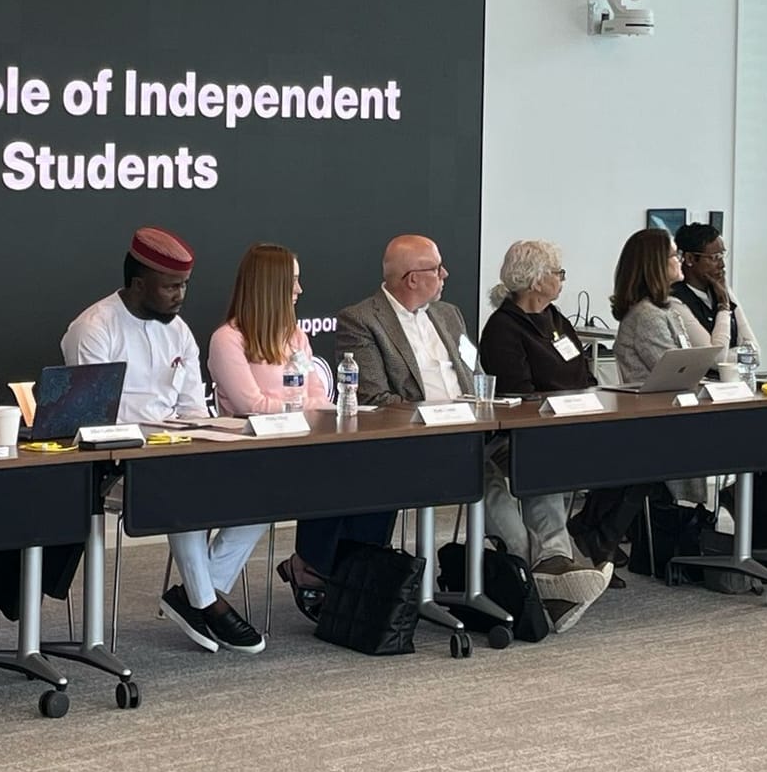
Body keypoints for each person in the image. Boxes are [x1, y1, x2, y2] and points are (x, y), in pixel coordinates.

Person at [63, 228, 266, 654]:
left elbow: (194, 410)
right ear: (139, 284)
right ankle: (206, 603)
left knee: (266, 487)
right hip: (116, 462)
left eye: (185, 286)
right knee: (182, 485)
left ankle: (199, 593)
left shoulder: (179, 331)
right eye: (171, 286)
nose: (181, 296)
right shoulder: (94, 329)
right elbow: (93, 424)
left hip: (176, 451)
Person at [206, 243, 394, 621]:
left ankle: (351, 574)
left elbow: (320, 396)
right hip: (251, 454)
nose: (300, 289)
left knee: (376, 476)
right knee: (324, 477)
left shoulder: (294, 335)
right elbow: (250, 407)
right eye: (293, 281)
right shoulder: (227, 339)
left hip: (301, 446)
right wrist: (293, 405)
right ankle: (312, 567)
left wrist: (288, 404)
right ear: (271, 286)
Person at [479, 239, 637, 628]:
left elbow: (584, 373)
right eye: (557, 273)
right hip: (519, 435)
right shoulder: (502, 327)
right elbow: (518, 392)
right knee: (541, 465)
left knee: (633, 456)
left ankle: (557, 573)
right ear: (534, 281)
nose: (563, 279)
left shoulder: (555, 318)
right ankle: (555, 569)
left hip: (566, 428)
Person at [336, 235, 479, 407]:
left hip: (472, 424)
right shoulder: (361, 321)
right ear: (413, 279)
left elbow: (477, 377)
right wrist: (438, 414)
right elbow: (373, 398)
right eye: (436, 268)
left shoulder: (449, 314)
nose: (444, 274)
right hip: (416, 428)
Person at [610, 228, 710, 385]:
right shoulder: (647, 315)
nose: (681, 260)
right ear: (656, 264)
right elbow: (676, 372)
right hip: (655, 405)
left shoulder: (662, 309)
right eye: (675, 255)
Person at [671, 223, 762, 356]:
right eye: (714, 258)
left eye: (722, 255)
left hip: (735, 376)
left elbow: (754, 352)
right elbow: (714, 357)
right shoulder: (675, 300)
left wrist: (730, 356)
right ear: (690, 259)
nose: (722, 264)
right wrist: (723, 308)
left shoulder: (721, 289)